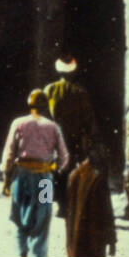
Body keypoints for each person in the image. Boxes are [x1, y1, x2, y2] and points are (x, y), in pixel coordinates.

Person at [1, 88, 69, 257]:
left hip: (21, 177)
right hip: (45, 180)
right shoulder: (53, 127)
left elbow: (8, 154)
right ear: (46, 106)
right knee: (43, 219)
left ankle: (21, 254)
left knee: (20, 217)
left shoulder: (18, 123)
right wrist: (55, 169)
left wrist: (6, 177)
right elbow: (64, 157)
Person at [44, 55, 97, 218]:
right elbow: (88, 118)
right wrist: (91, 137)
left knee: (56, 170)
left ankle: (58, 204)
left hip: (55, 136)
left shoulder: (49, 90)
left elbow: (44, 115)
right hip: (74, 138)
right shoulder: (80, 92)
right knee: (72, 169)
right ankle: (69, 204)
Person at [65, 143, 116, 257]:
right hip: (94, 241)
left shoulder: (73, 176)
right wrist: (112, 240)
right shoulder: (98, 179)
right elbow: (107, 211)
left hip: (76, 240)